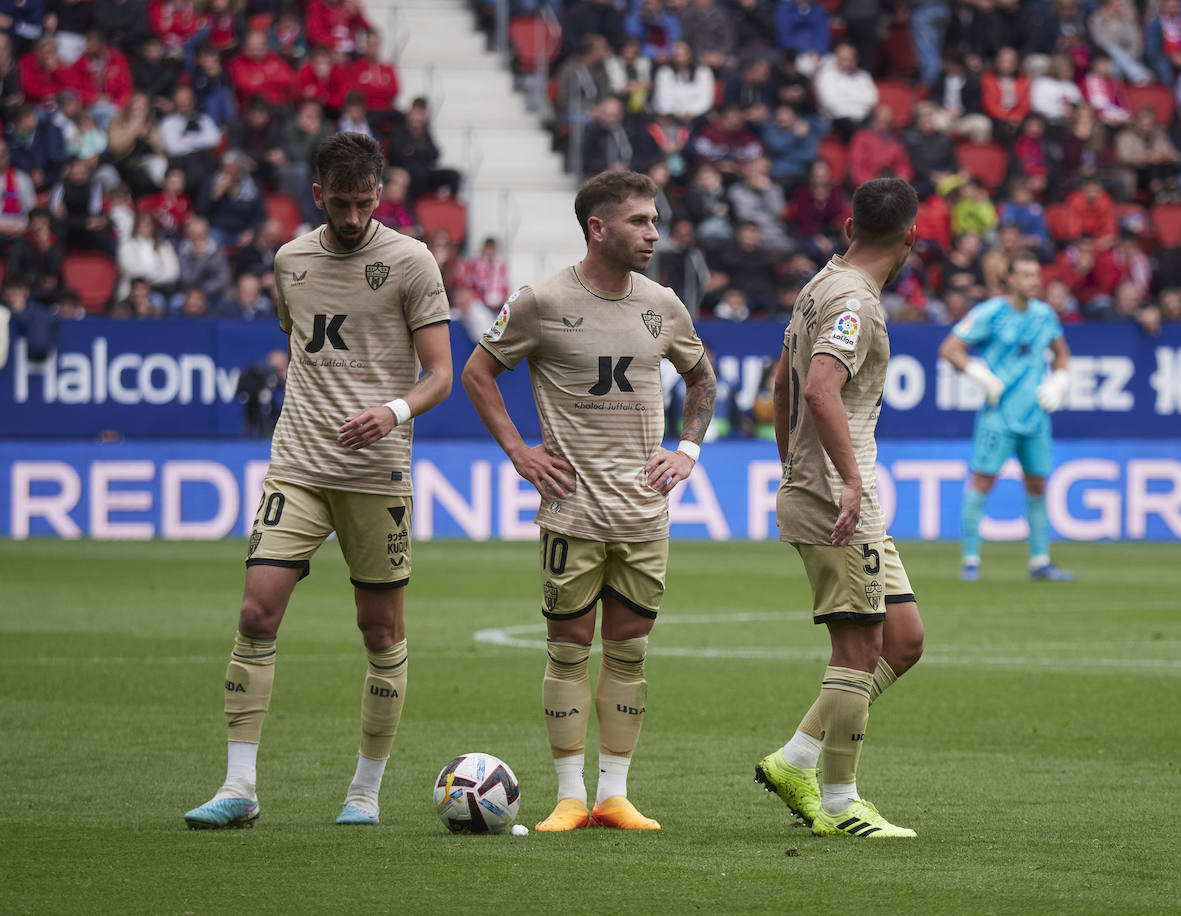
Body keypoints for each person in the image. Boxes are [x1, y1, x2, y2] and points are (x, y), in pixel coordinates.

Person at [182, 131, 454, 829]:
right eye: (342, 202)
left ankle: (363, 793)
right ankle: (239, 787)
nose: (355, 216)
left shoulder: (411, 261)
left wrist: (390, 412)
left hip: (377, 472)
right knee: (256, 611)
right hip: (299, 461)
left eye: (366, 202)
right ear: (318, 195)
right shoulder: (289, 261)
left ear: (381, 193)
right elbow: (301, 344)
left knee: (379, 630)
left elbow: (441, 375)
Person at [460, 170, 716, 833]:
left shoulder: (663, 302)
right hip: (572, 512)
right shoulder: (541, 302)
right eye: (639, 221)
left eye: (655, 220)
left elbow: (702, 377)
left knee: (629, 654)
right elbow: (478, 372)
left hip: (642, 514)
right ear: (597, 228)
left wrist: (688, 451)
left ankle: (615, 796)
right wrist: (519, 452)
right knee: (569, 650)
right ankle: (570, 796)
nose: (653, 233)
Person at [753, 176, 923, 840]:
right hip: (839, 497)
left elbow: (780, 382)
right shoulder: (856, 301)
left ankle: (794, 759)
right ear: (910, 236)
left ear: (850, 227)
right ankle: (840, 801)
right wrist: (842, 481)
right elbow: (821, 388)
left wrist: (791, 465)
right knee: (858, 647)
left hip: (833, 490)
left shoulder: (821, 284)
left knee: (902, 640)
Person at [939, 252, 1073, 582]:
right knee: (983, 481)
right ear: (1010, 279)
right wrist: (979, 375)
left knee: (1038, 485)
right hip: (998, 415)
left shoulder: (1045, 315)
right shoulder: (991, 312)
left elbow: (1062, 354)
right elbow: (950, 348)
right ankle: (971, 560)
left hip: (1036, 415)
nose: (1033, 281)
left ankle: (1040, 561)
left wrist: (1059, 381)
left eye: (1036, 275)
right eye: (1026, 275)